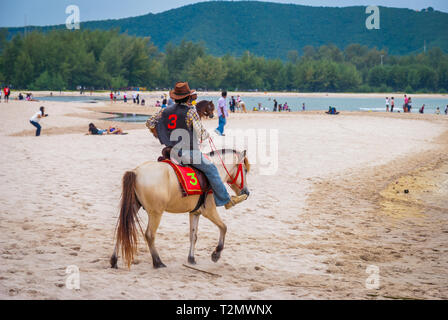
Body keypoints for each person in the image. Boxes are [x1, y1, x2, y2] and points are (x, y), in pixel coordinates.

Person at [145, 81, 247, 210]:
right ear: (188, 97)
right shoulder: (190, 112)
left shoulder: (165, 110)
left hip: (170, 151)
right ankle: (225, 200)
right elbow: (202, 134)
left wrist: (163, 134)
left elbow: (149, 123)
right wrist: (207, 135)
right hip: (188, 153)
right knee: (212, 169)